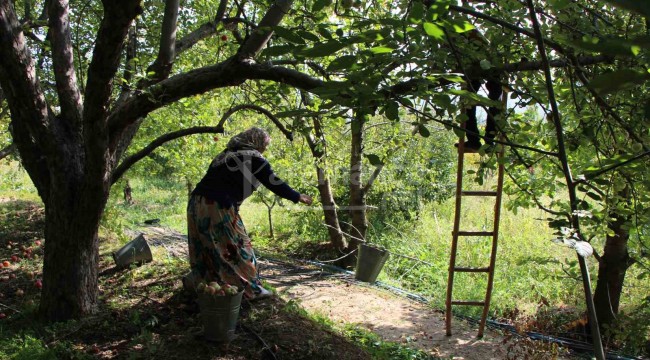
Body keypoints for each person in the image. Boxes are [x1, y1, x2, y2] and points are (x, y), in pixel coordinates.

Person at [186, 127, 312, 300]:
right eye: (265, 145)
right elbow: (273, 181)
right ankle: (250, 290)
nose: (265, 149)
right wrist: (297, 196)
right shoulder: (252, 157)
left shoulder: (224, 155)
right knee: (236, 247)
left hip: (196, 203)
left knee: (206, 245)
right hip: (216, 205)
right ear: (256, 142)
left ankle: (207, 285)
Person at [456, 76, 503, 153]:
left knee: (468, 99)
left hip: (474, 68)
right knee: (495, 99)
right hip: (494, 70)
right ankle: (488, 141)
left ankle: (474, 141)